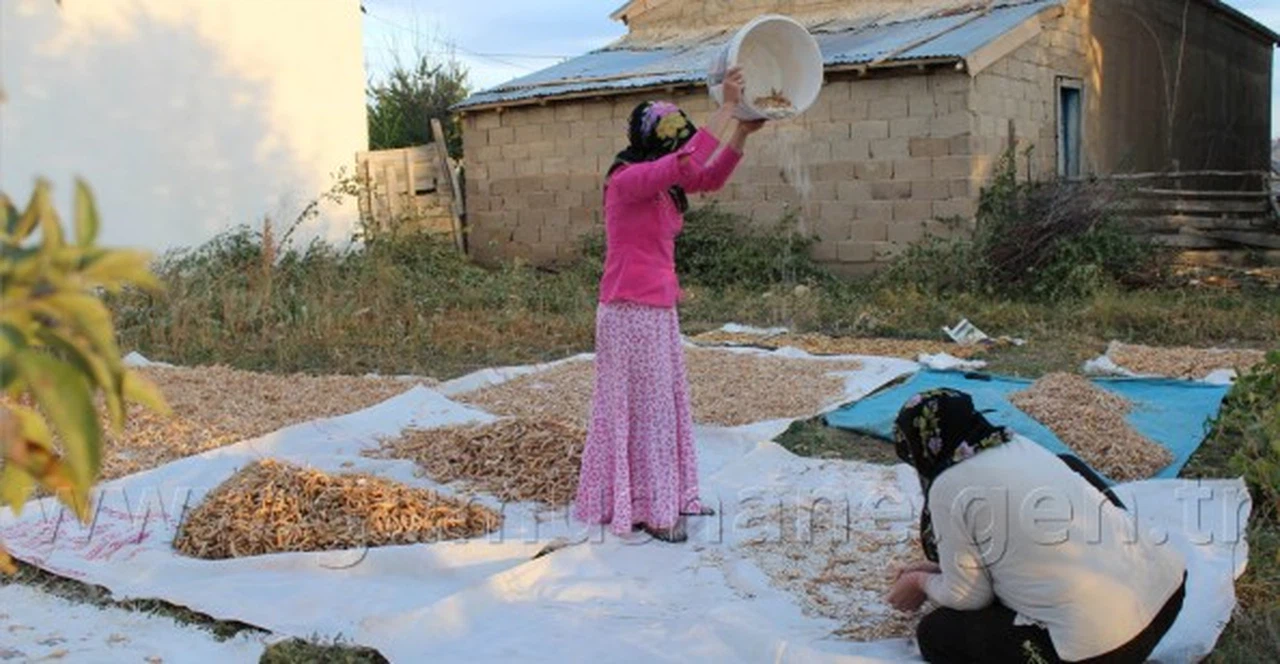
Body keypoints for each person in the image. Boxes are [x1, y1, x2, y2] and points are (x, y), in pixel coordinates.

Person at [573, 67, 764, 543]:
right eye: (671, 144)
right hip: (628, 310)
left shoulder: (661, 185)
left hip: (657, 309)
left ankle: (662, 498)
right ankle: (650, 510)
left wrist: (741, 130)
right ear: (651, 144)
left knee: (661, 407)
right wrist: (726, 107)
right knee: (645, 411)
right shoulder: (628, 179)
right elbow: (686, 161)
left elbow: (708, 177)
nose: (678, 152)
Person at [885, 388, 1187, 663]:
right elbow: (1016, 545)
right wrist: (941, 569)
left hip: (1105, 650)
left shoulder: (947, 486)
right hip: (1169, 598)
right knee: (1071, 466)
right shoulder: (1020, 444)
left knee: (937, 633)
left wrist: (919, 583)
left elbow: (969, 597)